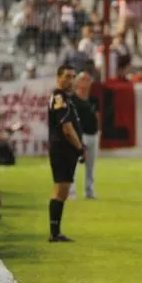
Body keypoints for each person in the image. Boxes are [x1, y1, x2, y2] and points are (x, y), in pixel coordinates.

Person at [47, 64, 85, 243]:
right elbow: (67, 128)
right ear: (58, 78)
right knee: (61, 189)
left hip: (63, 149)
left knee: (62, 189)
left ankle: (56, 231)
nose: (71, 80)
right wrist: (79, 148)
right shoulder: (59, 97)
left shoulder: (64, 98)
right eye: (67, 76)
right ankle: (55, 232)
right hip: (62, 149)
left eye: (73, 76)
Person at [70, 70, 99, 200]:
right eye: (83, 79)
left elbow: (98, 116)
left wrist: (99, 131)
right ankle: (71, 192)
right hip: (79, 135)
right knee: (74, 164)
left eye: (88, 80)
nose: (86, 83)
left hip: (92, 134)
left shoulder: (93, 99)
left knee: (90, 165)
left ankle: (89, 191)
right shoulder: (73, 100)